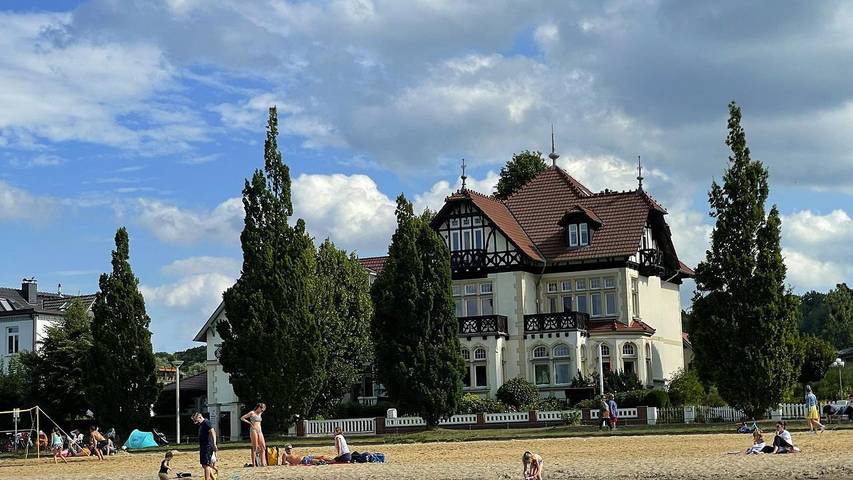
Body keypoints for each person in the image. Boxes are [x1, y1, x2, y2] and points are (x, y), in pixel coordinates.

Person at [192, 412, 218, 480]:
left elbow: (213, 432)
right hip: (203, 446)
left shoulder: (206, 422)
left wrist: (214, 444)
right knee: (205, 465)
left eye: (196, 420)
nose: (195, 422)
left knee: (206, 465)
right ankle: (213, 478)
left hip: (207, 446)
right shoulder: (202, 424)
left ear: (200, 417)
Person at [240, 403, 267, 467]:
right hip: (253, 430)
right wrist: (249, 422)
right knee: (255, 447)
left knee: (263, 447)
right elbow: (242, 418)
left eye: (263, 409)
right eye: (261, 409)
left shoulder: (260, 413)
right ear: (258, 407)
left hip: (260, 431)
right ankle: (254, 463)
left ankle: (263, 463)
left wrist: (263, 410)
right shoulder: (252, 413)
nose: (262, 410)